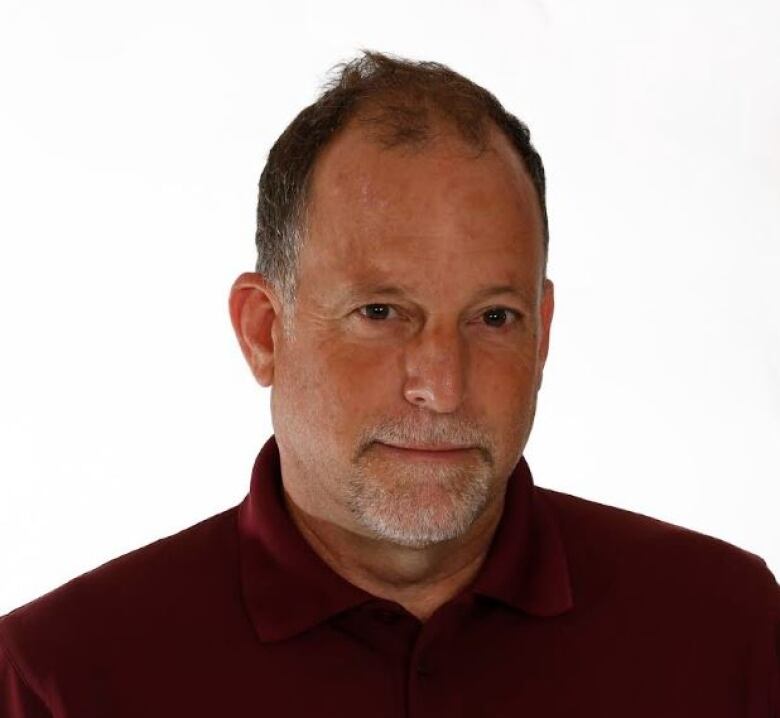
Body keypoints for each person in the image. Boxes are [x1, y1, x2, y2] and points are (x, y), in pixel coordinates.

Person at [1, 50, 777, 717]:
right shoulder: (65, 678)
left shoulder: (725, 631)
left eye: (494, 318)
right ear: (264, 331)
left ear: (543, 333)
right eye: (381, 312)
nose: (441, 386)